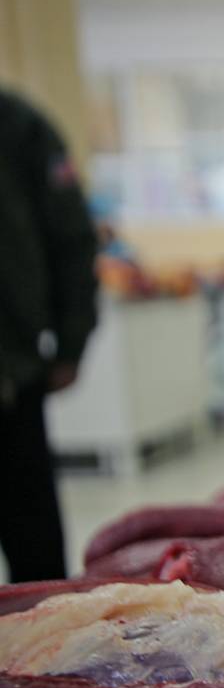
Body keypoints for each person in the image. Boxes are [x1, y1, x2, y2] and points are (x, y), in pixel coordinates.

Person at [0, 88, 99, 582]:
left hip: (11, 376)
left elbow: (71, 237)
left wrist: (71, 338)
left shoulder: (17, 126)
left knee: (36, 561)